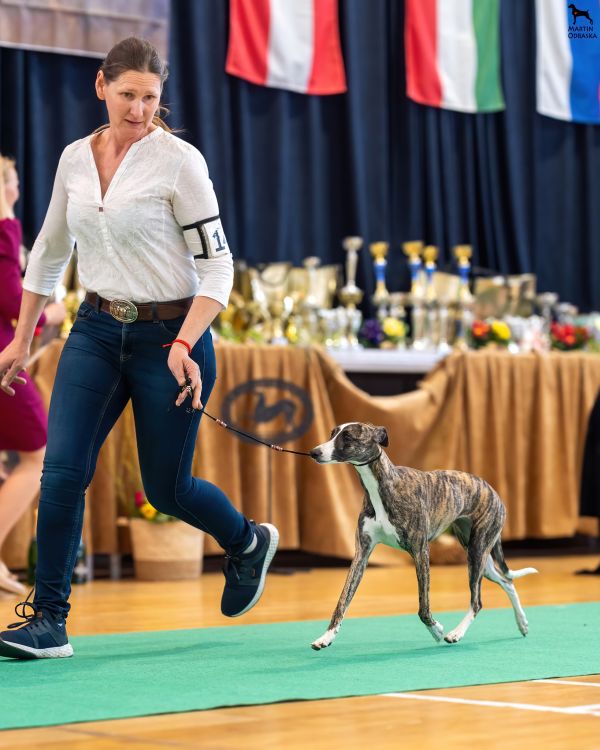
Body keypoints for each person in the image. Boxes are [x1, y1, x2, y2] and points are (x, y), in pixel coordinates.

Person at [0, 37, 279, 660]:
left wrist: (185, 341)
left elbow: (218, 268)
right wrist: (21, 337)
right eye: (127, 94)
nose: (139, 109)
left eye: (150, 98)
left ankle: (247, 542)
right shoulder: (75, 158)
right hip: (95, 332)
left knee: (166, 490)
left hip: (170, 339)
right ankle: (48, 621)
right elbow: (49, 252)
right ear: (101, 86)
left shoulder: (180, 162)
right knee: (62, 470)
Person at [0, 155, 65, 597]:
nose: (19, 189)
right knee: (36, 455)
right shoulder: (4, 229)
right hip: (4, 355)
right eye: (13, 182)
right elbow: (10, 299)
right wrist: (50, 314)